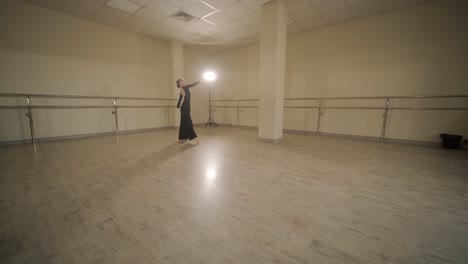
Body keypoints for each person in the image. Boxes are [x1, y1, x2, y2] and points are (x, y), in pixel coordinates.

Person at [176, 78, 200, 145]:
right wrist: (177, 106)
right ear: (179, 84)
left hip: (187, 108)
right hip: (184, 108)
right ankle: (195, 137)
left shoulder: (186, 87)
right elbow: (180, 99)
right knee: (188, 123)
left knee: (184, 123)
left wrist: (199, 81)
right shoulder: (182, 89)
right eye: (181, 81)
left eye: (183, 80)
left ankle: (183, 137)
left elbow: (193, 84)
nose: (183, 81)